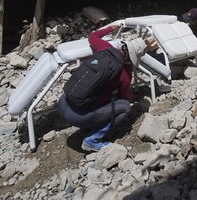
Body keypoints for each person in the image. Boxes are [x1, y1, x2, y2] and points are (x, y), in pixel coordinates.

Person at [57, 22, 149, 152]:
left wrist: (112, 28)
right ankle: (93, 140)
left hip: (63, 102)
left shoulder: (105, 48)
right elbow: (124, 98)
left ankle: (90, 123)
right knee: (124, 108)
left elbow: (93, 36)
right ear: (133, 58)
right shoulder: (125, 73)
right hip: (77, 116)